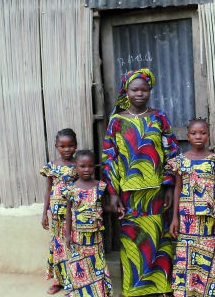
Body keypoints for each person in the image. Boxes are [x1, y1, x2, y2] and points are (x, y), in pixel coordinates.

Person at [102, 68, 179, 296]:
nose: (140, 94)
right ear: (126, 90)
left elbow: (171, 152)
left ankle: (161, 286)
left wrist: (168, 185)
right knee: (133, 240)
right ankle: (134, 289)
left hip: (155, 191)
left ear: (150, 91)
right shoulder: (117, 121)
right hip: (128, 193)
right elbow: (109, 157)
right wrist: (113, 193)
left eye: (144, 90)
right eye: (135, 89)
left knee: (158, 238)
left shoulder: (159, 117)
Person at [167, 118, 215, 297]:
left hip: (207, 218)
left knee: (207, 253)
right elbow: (177, 187)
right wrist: (175, 218)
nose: (198, 136)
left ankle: (207, 291)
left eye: (202, 133)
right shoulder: (180, 161)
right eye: (194, 133)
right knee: (186, 253)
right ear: (188, 136)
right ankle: (187, 291)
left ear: (208, 135)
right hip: (186, 218)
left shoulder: (214, 159)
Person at [63, 150, 113, 297]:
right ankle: (78, 291)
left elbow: (102, 208)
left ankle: (97, 291)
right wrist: (67, 235)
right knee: (78, 263)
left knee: (96, 262)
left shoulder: (100, 186)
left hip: (95, 236)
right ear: (76, 167)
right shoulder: (71, 189)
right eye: (82, 166)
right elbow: (68, 213)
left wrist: (115, 209)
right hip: (77, 236)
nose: (86, 169)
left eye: (90, 166)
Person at [40, 128, 78, 295]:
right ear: (56, 146)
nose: (66, 149)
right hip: (55, 215)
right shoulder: (51, 166)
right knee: (57, 247)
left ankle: (72, 282)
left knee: (72, 246)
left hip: (74, 214)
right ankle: (58, 281)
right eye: (62, 146)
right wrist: (44, 214)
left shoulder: (79, 165)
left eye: (70, 146)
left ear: (76, 146)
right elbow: (48, 190)